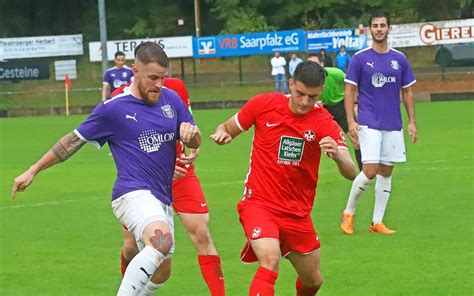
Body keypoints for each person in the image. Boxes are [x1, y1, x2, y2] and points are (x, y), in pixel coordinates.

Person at [11, 42, 202, 295]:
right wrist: (33, 169)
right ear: (135, 70)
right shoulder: (113, 108)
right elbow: (72, 141)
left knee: (163, 271)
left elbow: (194, 138)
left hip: (161, 197)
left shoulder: (172, 100)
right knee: (161, 240)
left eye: (163, 78)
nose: (158, 84)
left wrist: (192, 138)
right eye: (152, 78)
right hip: (131, 193)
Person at [211, 61, 357, 295]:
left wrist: (338, 157)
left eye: (312, 97)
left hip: (297, 214)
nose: (304, 102)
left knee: (313, 281)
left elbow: (352, 172)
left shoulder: (323, 121)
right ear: (290, 84)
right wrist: (222, 133)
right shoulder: (263, 104)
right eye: (300, 93)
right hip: (259, 204)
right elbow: (227, 127)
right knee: (269, 259)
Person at [115, 77, 225, 295]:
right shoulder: (121, 96)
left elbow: (188, 128)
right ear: (137, 68)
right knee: (133, 248)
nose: (158, 79)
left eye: (161, 72)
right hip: (145, 178)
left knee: (202, 233)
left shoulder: (176, 88)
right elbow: (124, 145)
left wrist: (193, 145)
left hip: (182, 174)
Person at [340, 13, 418, 235]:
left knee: (386, 170)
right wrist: (351, 121)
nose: (379, 29)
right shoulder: (360, 59)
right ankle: (348, 213)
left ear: (389, 29)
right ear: (370, 30)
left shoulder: (400, 59)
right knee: (371, 170)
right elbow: (349, 90)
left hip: (393, 123)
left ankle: (377, 222)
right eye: (375, 26)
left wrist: (411, 121)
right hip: (369, 122)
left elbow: (408, 91)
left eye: (383, 25)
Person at [307, 53, 363, 171]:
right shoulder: (307, 81)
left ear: (322, 64)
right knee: (308, 140)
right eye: (309, 64)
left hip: (341, 106)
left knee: (356, 140)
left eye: (315, 63)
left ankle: (364, 173)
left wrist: (356, 101)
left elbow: (352, 83)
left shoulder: (335, 73)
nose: (313, 67)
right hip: (322, 109)